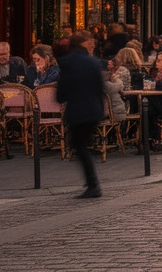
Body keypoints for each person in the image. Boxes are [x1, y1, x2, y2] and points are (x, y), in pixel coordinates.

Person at [58, 31, 106, 199]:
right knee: (81, 145)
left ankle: (93, 185)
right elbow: (101, 88)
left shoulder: (67, 63)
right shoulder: (94, 62)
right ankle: (92, 183)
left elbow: (61, 93)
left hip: (78, 111)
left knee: (79, 146)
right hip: (94, 110)